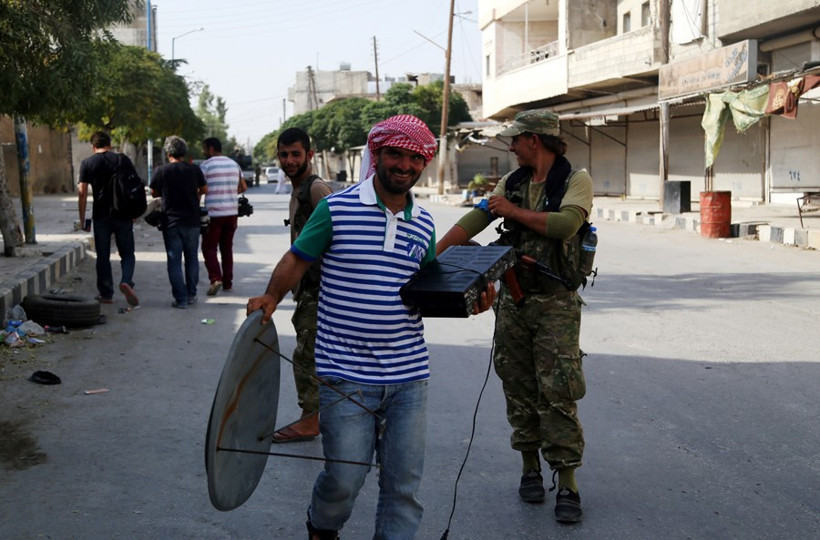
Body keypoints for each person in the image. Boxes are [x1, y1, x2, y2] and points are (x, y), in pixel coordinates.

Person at [247, 115, 495, 540]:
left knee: (403, 488)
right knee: (345, 478)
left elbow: (426, 289)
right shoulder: (336, 208)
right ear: (377, 155)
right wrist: (271, 296)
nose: (404, 165)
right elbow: (298, 258)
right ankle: (321, 526)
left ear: (424, 163)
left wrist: (471, 302)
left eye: (414, 158)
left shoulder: (423, 223)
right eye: (395, 154)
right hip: (344, 373)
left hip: (408, 377)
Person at [435, 109, 593, 523]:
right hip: (515, 300)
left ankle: (569, 483)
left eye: (515, 139)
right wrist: (429, 258)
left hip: (555, 303)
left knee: (557, 390)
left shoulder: (575, 180)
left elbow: (565, 225)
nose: (510, 145)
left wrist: (511, 210)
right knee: (517, 385)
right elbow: (473, 221)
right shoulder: (514, 182)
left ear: (535, 140)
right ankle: (529, 470)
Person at [271, 127, 333, 444]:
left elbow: (341, 232)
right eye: (284, 154)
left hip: (321, 288)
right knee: (315, 354)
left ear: (310, 154)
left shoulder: (316, 189)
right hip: (309, 288)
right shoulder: (298, 190)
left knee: (307, 356)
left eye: (296, 154)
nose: (289, 160)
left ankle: (310, 422)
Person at [78, 130, 141, 307]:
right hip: (123, 215)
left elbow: (82, 192)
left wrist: (82, 219)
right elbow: (134, 186)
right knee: (127, 253)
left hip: (101, 218)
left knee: (103, 255)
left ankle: (106, 293)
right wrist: (134, 212)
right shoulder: (122, 159)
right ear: (110, 144)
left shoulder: (87, 163)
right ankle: (126, 281)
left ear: (93, 146)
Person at [149, 136, 208, 309]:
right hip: (192, 221)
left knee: (174, 261)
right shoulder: (193, 169)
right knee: (191, 258)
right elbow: (204, 189)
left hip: (171, 222)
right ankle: (191, 295)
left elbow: (153, 192)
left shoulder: (162, 171)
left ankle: (180, 299)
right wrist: (195, 198)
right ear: (184, 152)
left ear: (168, 153)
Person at [200, 137, 247, 296]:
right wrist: (228, 193)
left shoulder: (206, 165)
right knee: (227, 249)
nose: (203, 152)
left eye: (205, 149)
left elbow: (201, 189)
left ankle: (215, 279)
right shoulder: (234, 164)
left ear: (211, 149)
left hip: (213, 214)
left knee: (209, 248)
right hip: (232, 213)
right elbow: (243, 187)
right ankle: (228, 283)